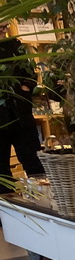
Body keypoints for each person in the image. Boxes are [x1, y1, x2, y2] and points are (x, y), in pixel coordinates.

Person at [0, 20, 43, 179]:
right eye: (0, 28)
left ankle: (41, 197)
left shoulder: (16, 47)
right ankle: (6, 201)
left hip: (21, 113)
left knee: (33, 160)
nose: (4, 31)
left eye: (5, 27)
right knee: (1, 169)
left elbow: (31, 74)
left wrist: (24, 90)